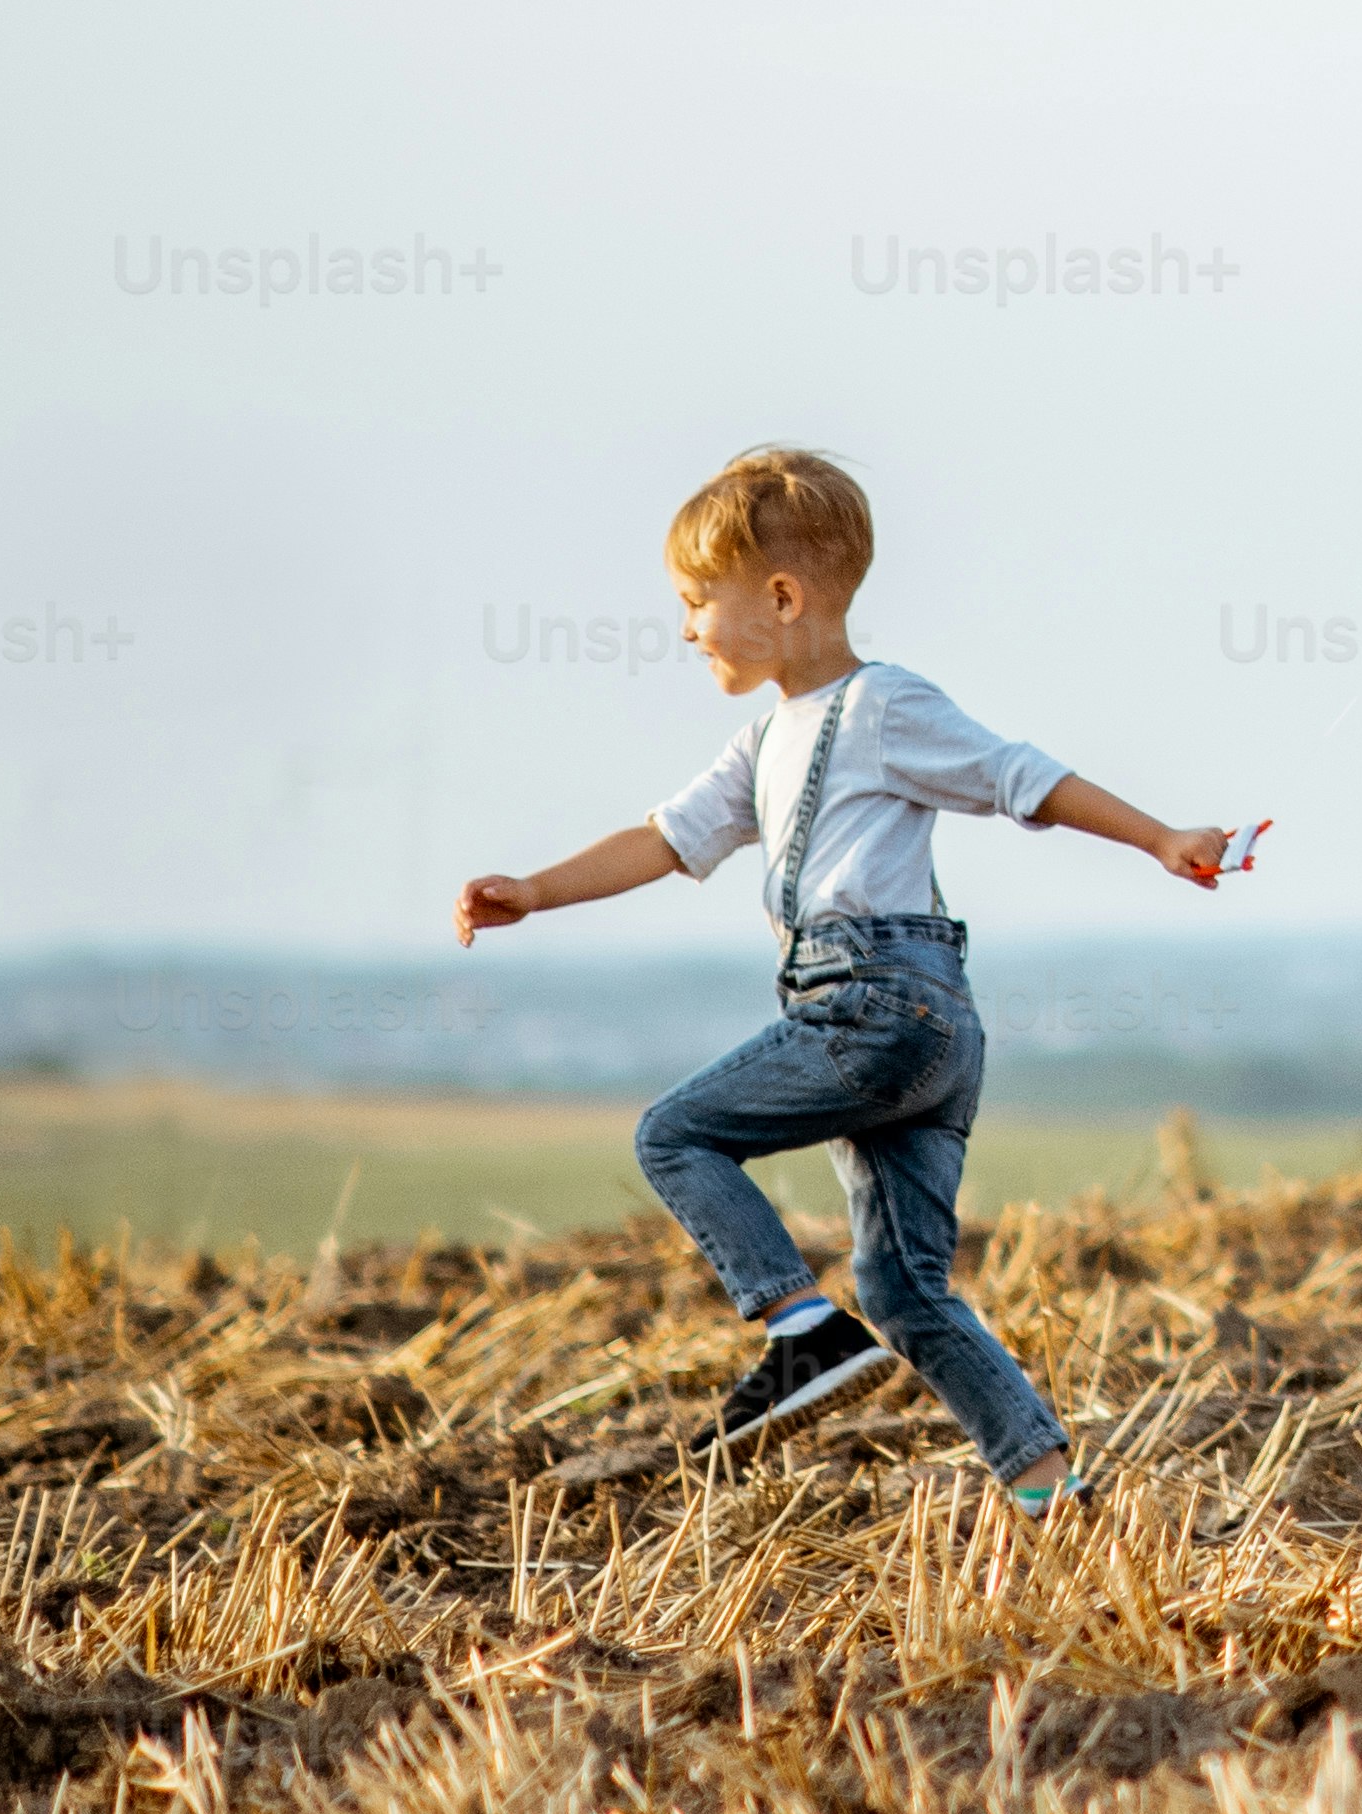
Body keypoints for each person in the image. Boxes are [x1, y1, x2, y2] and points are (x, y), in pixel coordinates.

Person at [453, 444, 1256, 1503]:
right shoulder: (762, 743)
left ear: (781, 597)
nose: (685, 626)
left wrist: (1159, 837)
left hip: (876, 1005)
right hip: (925, 1024)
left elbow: (1023, 776)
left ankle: (800, 1329)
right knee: (908, 1291)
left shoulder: (884, 705)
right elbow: (664, 838)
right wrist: (537, 890)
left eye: (698, 601)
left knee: (676, 1132)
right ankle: (1051, 1496)